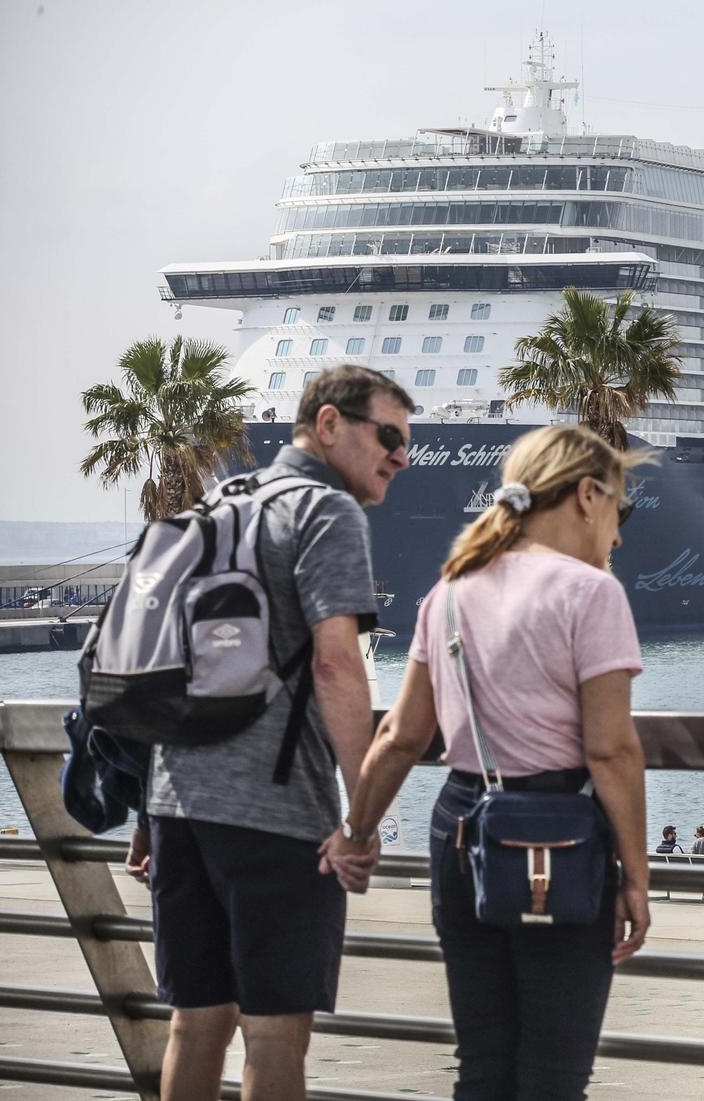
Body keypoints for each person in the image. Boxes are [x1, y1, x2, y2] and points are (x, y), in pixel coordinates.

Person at [325, 423, 652, 1099]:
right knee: (553, 1078)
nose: (617, 536)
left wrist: (355, 833)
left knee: (482, 1068)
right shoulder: (592, 593)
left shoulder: (449, 591)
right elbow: (610, 748)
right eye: (617, 512)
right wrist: (638, 879)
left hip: (460, 834)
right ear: (588, 495)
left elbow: (401, 737)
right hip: (558, 840)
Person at [143, 366, 411, 1101]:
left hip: (178, 801)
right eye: (388, 434)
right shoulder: (328, 512)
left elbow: (162, 662)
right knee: (273, 1032)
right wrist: (361, 816)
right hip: (275, 812)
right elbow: (336, 665)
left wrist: (149, 802)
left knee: (194, 1025)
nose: (401, 455)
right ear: (329, 424)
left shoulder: (219, 500)